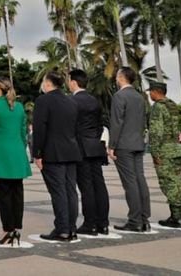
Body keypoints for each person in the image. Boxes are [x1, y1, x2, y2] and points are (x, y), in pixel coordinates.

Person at [0, 76, 31, 246]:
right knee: (17, 193)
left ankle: (8, 230)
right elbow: (23, 133)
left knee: (4, 195)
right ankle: (16, 229)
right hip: (17, 153)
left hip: (0, 154)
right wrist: (21, 150)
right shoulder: (19, 107)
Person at [33, 71, 81, 242]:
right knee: (70, 191)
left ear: (47, 83)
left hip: (53, 152)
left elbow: (40, 128)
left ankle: (62, 229)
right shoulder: (71, 101)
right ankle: (71, 228)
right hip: (71, 150)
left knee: (58, 191)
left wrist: (37, 153)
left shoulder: (43, 100)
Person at [108, 66, 152, 232]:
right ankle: (144, 218)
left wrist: (112, 145)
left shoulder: (119, 96)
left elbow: (117, 122)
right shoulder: (139, 97)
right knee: (140, 179)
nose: (115, 78)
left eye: (117, 76)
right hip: (138, 143)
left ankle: (135, 220)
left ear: (121, 78)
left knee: (130, 182)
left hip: (124, 144)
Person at [70, 69, 110, 236]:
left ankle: (90, 223)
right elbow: (101, 123)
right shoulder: (94, 100)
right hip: (96, 145)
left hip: (81, 147)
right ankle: (103, 223)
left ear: (73, 82)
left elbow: (71, 126)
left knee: (86, 186)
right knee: (99, 185)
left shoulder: (72, 101)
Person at [148, 82, 181, 228]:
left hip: (165, 150)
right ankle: (180, 216)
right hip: (176, 149)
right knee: (176, 182)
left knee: (169, 183)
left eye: (150, 92)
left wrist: (154, 152)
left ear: (156, 91)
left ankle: (177, 218)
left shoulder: (158, 107)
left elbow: (156, 131)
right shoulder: (172, 105)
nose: (150, 95)